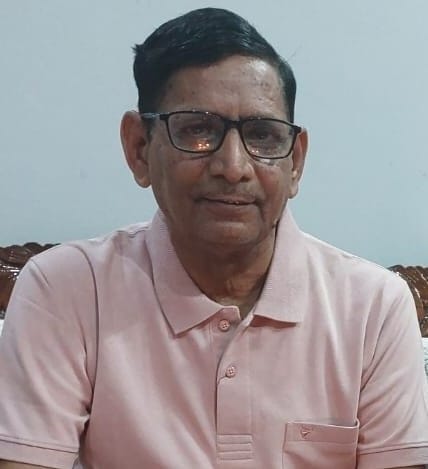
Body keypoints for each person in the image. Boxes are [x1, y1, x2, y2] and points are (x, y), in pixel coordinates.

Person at [0, 7, 427, 469]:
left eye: (262, 135)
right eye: (198, 130)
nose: (233, 167)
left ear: (295, 162)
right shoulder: (66, 290)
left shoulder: (374, 307)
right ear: (139, 148)